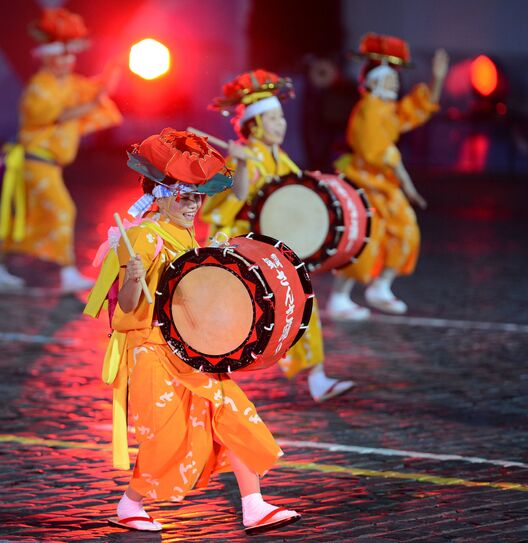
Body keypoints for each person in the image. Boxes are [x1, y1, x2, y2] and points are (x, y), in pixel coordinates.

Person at [84, 129, 301, 533]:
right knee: (166, 439)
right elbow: (127, 307)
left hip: (190, 349)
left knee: (234, 413)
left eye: (197, 197)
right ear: (161, 194)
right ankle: (130, 504)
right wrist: (131, 277)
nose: (193, 205)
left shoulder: (184, 232)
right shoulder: (141, 236)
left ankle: (253, 504)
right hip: (151, 351)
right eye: (185, 196)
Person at [202, 69, 354, 402]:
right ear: (254, 125)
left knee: (300, 304)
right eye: (272, 119)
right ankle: (212, 376)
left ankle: (316, 377)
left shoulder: (278, 156)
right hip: (242, 248)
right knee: (235, 319)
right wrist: (239, 165)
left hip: (268, 249)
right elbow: (237, 197)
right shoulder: (244, 157)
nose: (281, 124)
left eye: (281, 118)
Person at [0, 7, 122, 293]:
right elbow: (60, 115)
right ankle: (68, 272)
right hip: (35, 162)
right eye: (61, 55)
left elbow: (97, 92)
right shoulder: (38, 88)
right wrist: (92, 102)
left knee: (27, 217)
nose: (67, 61)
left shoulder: (70, 84)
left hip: (47, 165)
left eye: (70, 55)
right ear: (46, 56)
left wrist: (117, 66)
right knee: (63, 210)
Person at [326, 34, 449, 318]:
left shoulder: (386, 108)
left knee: (405, 229)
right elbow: (373, 151)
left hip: (385, 185)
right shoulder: (368, 109)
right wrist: (403, 177)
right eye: (390, 79)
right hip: (362, 182)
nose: (395, 83)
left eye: (395, 79)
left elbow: (414, 112)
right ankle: (339, 297)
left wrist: (437, 79)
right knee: (363, 239)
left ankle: (380, 287)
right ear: (374, 82)